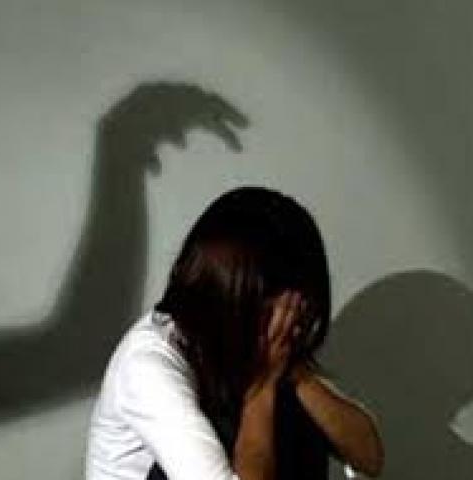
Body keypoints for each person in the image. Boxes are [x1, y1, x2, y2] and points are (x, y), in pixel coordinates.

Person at [84, 186, 384, 480]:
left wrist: (295, 373)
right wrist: (263, 387)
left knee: (291, 409)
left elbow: (369, 457)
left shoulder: (252, 345)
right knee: (252, 415)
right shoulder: (149, 365)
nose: (290, 322)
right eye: (280, 310)